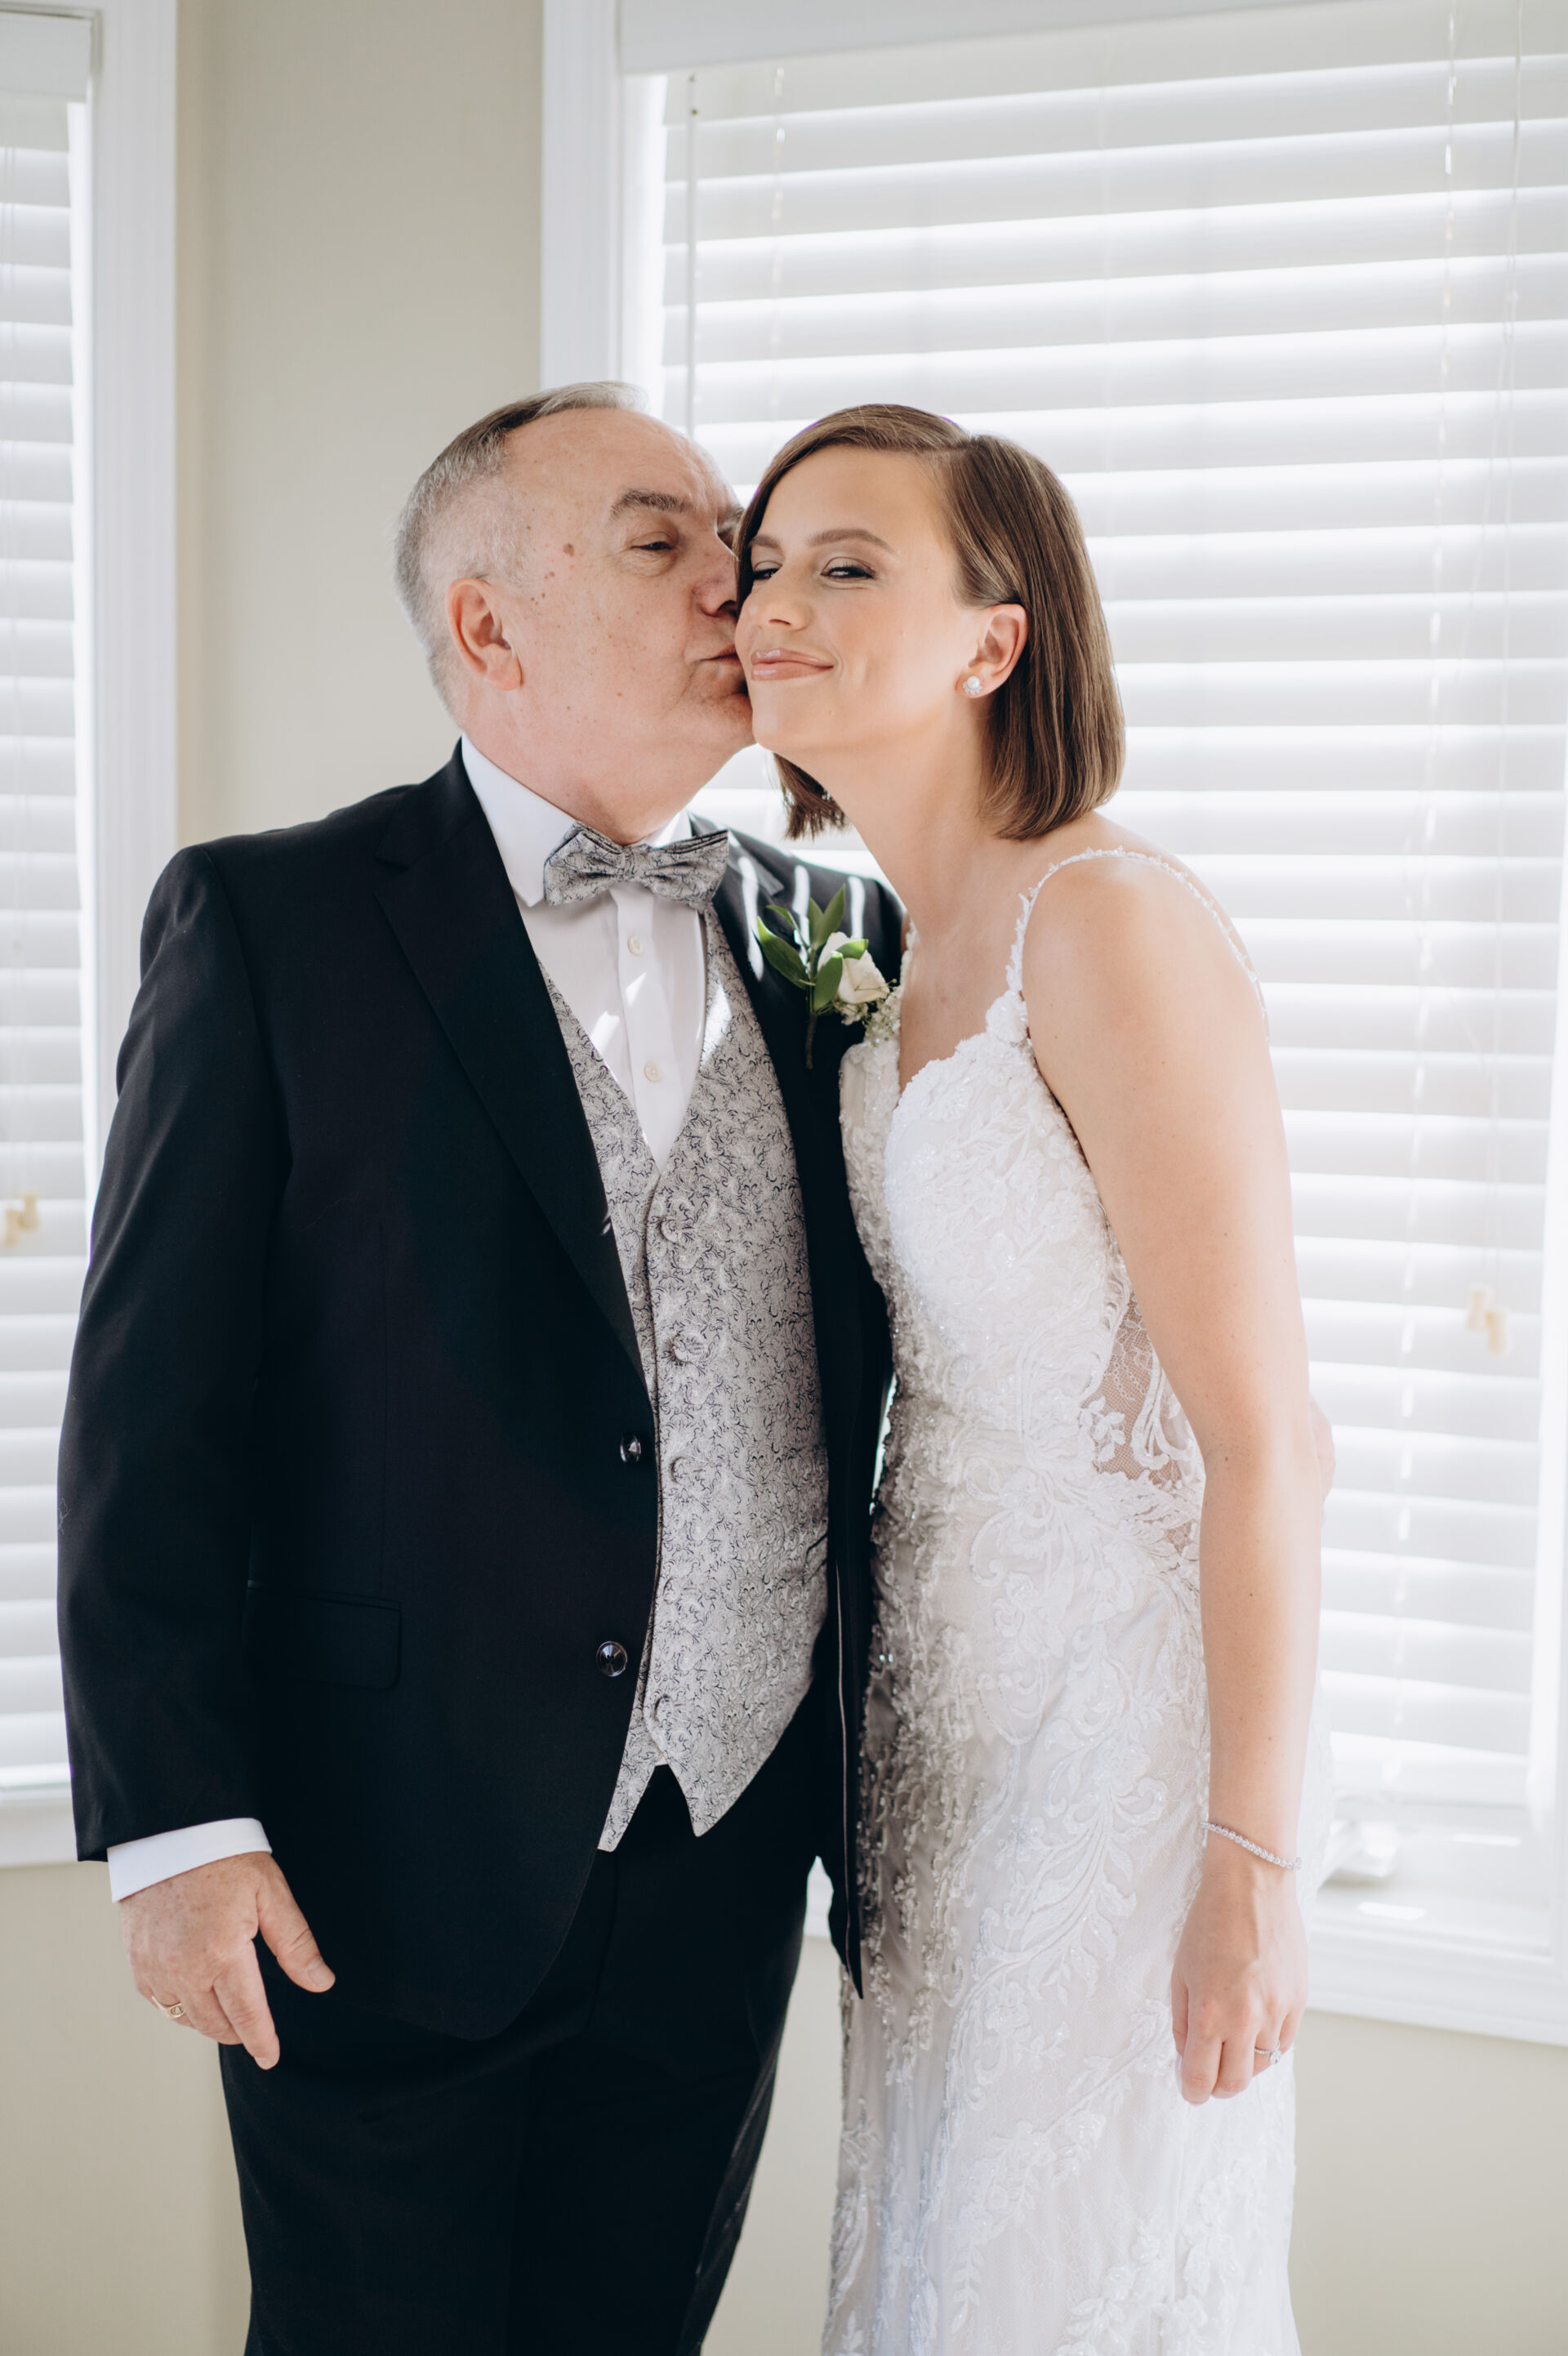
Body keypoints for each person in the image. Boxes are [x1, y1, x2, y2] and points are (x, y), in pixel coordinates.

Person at [56, 383, 902, 2355]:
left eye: (740, 540)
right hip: (379, 1855)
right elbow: (152, 1411)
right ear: (488, 625)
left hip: (723, 1850)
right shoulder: (271, 922)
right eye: (663, 541)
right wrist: (178, 1821)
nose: (738, 583)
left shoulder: (834, 932)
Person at [734, 404, 1335, 2354]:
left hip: (1120, 1742)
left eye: (848, 564)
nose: (774, 603)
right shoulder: (892, 957)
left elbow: (1268, 1439)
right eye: (763, 562)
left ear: (995, 640)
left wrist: (1251, 1858)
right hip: (935, 1733)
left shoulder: (1107, 922)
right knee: (929, 2260)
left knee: (1055, 2278)